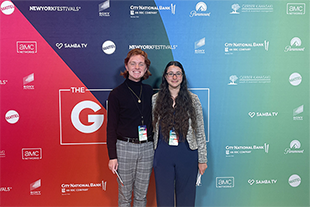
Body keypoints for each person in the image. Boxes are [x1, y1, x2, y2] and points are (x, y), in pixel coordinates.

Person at [152, 61, 208, 207]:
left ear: (182, 77)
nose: (174, 77)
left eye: (178, 73)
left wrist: (202, 159)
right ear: (165, 76)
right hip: (163, 154)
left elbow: (200, 131)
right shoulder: (155, 99)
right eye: (171, 73)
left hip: (187, 154)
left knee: (187, 199)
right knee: (164, 199)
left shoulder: (193, 100)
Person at [107, 48, 154, 207]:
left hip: (147, 148)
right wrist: (112, 156)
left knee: (141, 196)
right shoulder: (116, 94)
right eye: (133, 63)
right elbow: (111, 127)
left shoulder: (149, 91)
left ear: (146, 68)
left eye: (141, 64)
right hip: (124, 148)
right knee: (125, 196)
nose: (137, 67)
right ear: (126, 66)